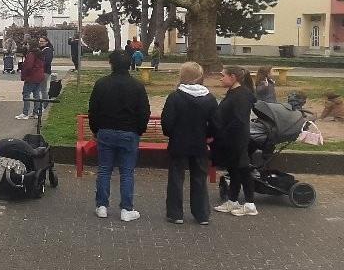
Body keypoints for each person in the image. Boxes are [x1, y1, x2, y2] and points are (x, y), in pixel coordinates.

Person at [88, 50, 150, 222]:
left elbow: (93, 110)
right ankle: (126, 208)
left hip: (105, 132)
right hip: (129, 132)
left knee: (104, 170)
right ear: (130, 64)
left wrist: (96, 129)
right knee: (127, 172)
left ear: (111, 63)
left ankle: (101, 206)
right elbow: (144, 111)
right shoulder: (137, 86)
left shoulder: (101, 84)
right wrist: (139, 130)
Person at [161, 62, 218, 225]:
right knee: (199, 178)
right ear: (200, 77)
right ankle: (202, 214)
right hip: (199, 144)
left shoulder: (175, 97)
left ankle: (175, 213)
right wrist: (207, 136)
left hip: (178, 143)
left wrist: (172, 134)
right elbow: (216, 124)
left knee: (176, 178)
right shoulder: (209, 98)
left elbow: (167, 123)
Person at [212, 66, 259, 217]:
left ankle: (250, 204)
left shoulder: (242, 95)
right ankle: (233, 200)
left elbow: (238, 120)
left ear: (233, 77)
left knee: (243, 169)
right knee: (233, 169)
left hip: (237, 138)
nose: (220, 78)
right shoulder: (233, 92)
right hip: (230, 139)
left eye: (223, 75)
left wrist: (224, 133)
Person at [16, 43, 44, 120]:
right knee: (36, 95)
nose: (26, 46)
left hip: (31, 77)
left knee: (26, 95)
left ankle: (25, 113)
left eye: (27, 44)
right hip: (39, 76)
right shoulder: (40, 54)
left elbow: (28, 66)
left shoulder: (31, 54)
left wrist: (24, 75)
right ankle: (35, 113)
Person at [37, 36, 54, 101]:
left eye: (42, 41)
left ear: (46, 42)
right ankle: (43, 103)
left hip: (45, 71)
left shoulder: (48, 50)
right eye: (40, 41)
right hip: (41, 71)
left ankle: (45, 104)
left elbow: (47, 61)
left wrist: (39, 65)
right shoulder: (41, 49)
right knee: (41, 88)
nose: (40, 42)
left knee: (43, 89)